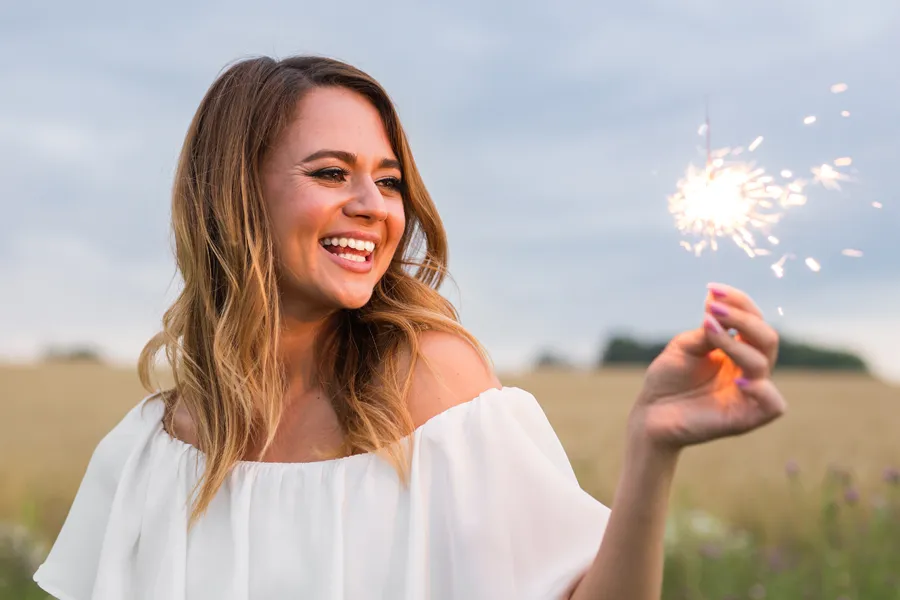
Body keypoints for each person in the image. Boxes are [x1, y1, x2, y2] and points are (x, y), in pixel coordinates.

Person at [32, 55, 786, 600]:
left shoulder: (434, 389)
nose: (376, 205)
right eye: (331, 173)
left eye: (389, 180)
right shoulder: (148, 454)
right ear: (235, 194)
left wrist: (650, 446)